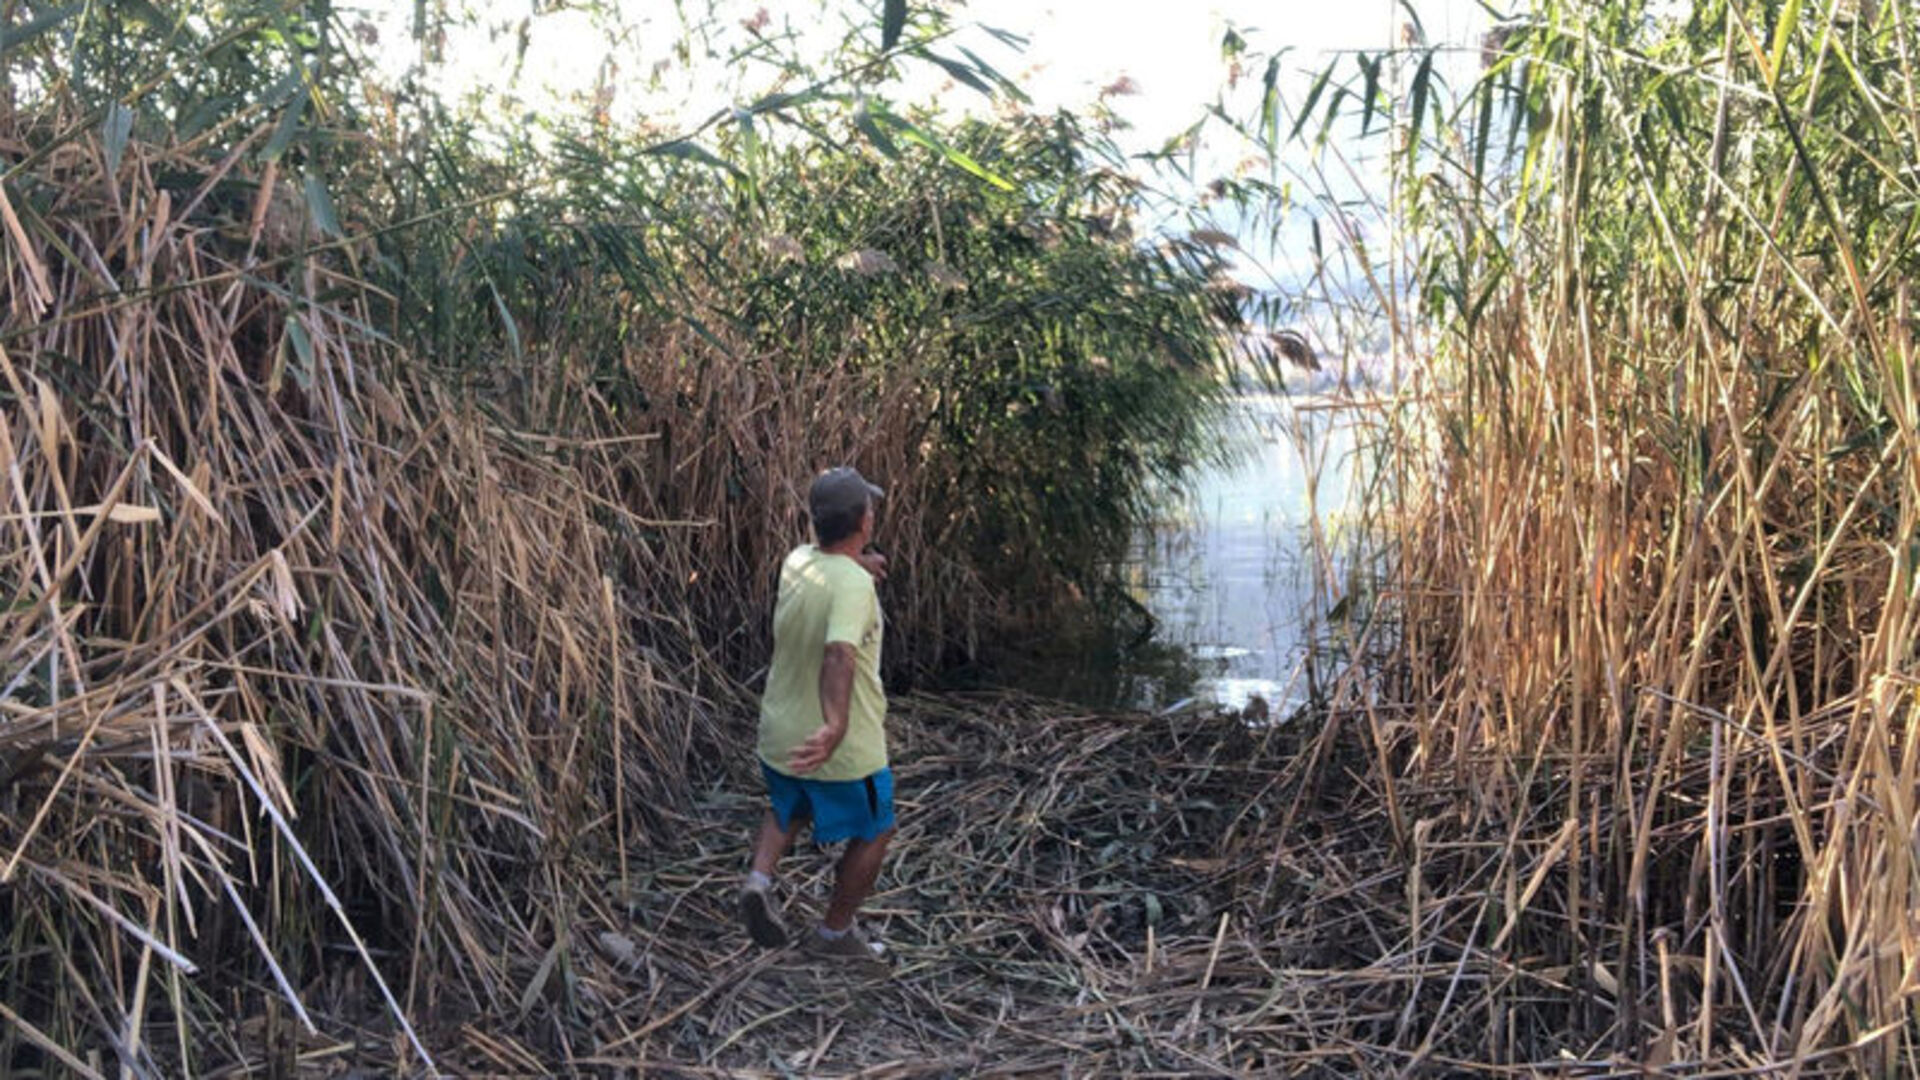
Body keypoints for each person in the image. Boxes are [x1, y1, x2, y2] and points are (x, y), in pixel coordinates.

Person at [738, 466, 894, 960]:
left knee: (790, 804)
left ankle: (758, 880)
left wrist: (859, 566)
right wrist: (836, 725)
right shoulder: (853, 588)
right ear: (865, 522)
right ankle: (834, 934)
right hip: (838, 748)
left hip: (781, 734)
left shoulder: (798, 561)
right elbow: (839, 654)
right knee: (876, 828)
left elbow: (833, 570)